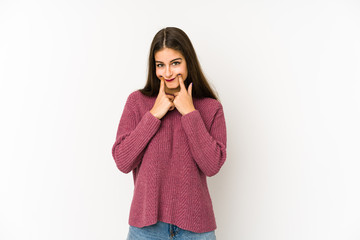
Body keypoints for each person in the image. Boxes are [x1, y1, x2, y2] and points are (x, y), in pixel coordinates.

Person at [111, 27, 227, 240]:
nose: (168, 72)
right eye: (160, 65)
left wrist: (190, 113)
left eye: (175, 63)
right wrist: (154, 113)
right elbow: (122, 161)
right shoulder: (137, 103)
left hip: (196, 230)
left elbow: (212, 166)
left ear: (188, 62)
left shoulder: (210, 108)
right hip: (146, 230)